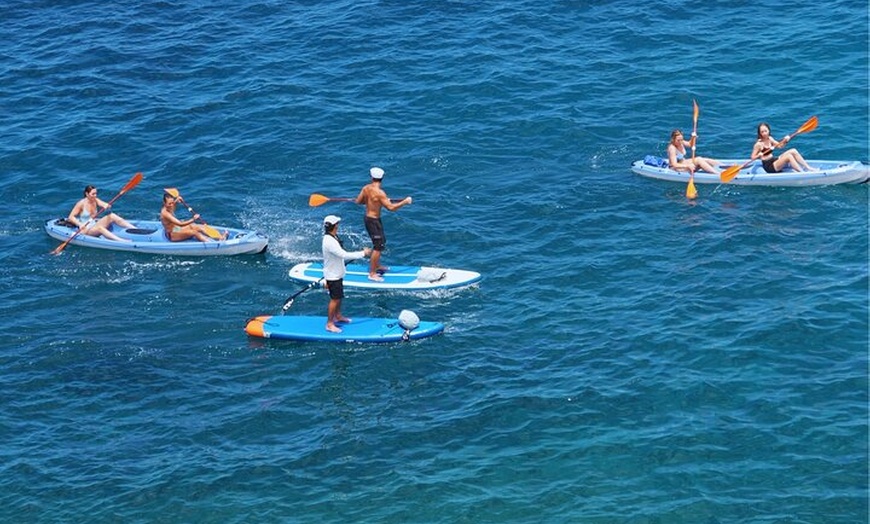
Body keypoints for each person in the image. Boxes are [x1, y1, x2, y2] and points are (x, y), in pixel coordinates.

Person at [354, 167, 412, 281]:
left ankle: (377, 265)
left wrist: (374, 200)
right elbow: (391, 208)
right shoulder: (380, 193)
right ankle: (372, 273)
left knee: (381, 243)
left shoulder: (366, 188)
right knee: (378, 247)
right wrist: (405, 202)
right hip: (373, 221)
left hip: (370, 219)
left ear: (372, 177)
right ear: (382, 178)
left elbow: (358, 201)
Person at [322, 215, 371, 333]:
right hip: (332, 275)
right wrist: (363, 253)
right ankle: (329, 324)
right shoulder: (329, 241)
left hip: (337, 273)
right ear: (335, 226)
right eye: (337, 224)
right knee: (335, 299)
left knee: (339, 297)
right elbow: (344, 255)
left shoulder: (332, 237)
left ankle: (338, 316)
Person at [66, 184, 134, 242]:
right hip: (86, 230)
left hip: (94, 225)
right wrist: (80, 224)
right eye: (93, 194)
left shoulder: (95, 200)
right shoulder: (81, 204)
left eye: (96, 193)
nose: (95, 195)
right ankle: (121, 241)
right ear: (87, 194)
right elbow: (71, 217)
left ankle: (134, 229)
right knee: (100, 228)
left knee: (112, 216)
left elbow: (103, 204)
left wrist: (106, 205)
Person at [160, 193, 226, 242]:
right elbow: (180, 224)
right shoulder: (166, 214)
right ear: (164, 203)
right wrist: (193, 219)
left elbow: (172, 204)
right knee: (194, 232)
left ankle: (220, 237)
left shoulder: (169, 206)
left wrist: (176, 201)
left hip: (176, 229)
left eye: (172, 202)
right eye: (169, 203)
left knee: (196, 226)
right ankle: (212, 245)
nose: (171, 205)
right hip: (172, 234)